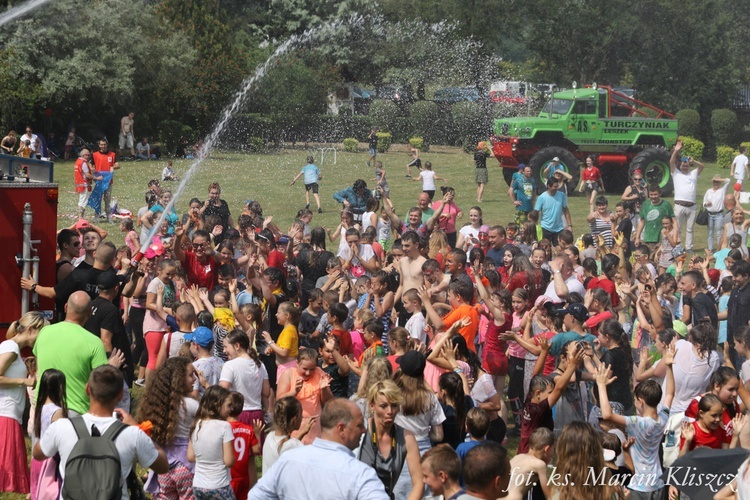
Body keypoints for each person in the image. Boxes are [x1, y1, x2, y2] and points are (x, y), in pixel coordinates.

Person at [33, 365, 170, 499]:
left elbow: (38, 454)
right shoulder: (133, 434)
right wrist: (136, 426)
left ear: (87, 389)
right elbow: (163, 465)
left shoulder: (61, 427)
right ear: (120, 395)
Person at [249, 398, 390, 499]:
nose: (365, 430)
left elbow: (256, 495)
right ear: (341, 429)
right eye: (359, 425)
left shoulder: (288, 460)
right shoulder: (360, 474)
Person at [33, 292, 123, 415]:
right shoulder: (94, 342)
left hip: (43, 408)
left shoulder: (44, 332)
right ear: (90, 313)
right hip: (74, 412)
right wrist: (111, 367)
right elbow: (101, 383)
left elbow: (38, 365)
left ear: (65, 307)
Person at [136, 356, 199, 499]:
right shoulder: (192, 406)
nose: (194, 379)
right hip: (187, 465)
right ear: (179, 379)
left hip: (164, 465)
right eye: (190, 375)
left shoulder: (157, 404)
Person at [0, 312, 47, 495]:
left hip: (10, 412)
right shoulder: (11, 348)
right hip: (5, 413)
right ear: (30, 330)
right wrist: (25, 382)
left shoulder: (13, 349)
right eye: (39, 332)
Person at [358, 380, 424, 500]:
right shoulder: (360, 432)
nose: (390, 411)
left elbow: (419, 483)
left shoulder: (406, 437)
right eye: (383, 406)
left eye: (394, 405)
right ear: (372, 405)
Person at [187, 386, 235, 500]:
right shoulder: (225, 426)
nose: (231, 409)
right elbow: (229, 461)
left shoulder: (196, 424)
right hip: (219, 485)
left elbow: (190, 456)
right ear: (217, 405)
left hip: (199, 485)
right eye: (228, 405)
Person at [670, 139, 705, 251]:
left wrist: (693, 161)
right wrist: (676, 151)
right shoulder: (676, 173)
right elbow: (671, 162)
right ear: (680, 166)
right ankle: (679, 246)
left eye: (687, 166)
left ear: (689, 166)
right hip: (679, 205)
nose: (685, 167)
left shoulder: (693, 174)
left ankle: (689, 247)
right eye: (683, 166)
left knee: (690, 229)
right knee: (678, 228)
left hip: (691, 206)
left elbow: (702, 166)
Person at [634, 184, 675, 253]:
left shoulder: (666, 205)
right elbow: (642, 221)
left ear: (660, 194)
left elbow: (673, 221)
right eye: (651, 195)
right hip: (647, 238)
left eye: (655, 194)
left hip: (662, 238)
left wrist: (675, 235)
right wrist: (637, 237)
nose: (653, 197)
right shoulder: (645, 204)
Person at [533, 177, 571, 245]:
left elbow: (566, 210)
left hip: (559, 228)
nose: (557, 188)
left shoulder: (561, 195)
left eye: (557, 186)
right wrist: (534, 226)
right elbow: (536, 212)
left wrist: (570, 225)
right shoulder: (542, 197)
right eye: (555, 187)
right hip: (545, 228)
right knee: (545, 248)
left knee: (559, 248)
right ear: (549, 186)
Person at [91, 139, 120, 223]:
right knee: (98, 199)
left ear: (107, 145)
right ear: (99, 145)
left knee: (107, 199)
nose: (103, 146)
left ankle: (108, 216)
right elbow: (91, 165)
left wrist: (113, 167)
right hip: (99, 180)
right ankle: (96, 216)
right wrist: (92, 169)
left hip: (108, 181)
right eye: (101, 145)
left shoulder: (112, 154)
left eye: (104, 144)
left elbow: (118, 165)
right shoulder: (95, 155)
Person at [704, 175, 732, 252]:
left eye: (717, 182)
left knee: (719, 232)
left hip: (719, 215)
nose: (716, 183)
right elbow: (704, 202)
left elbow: (729, 180)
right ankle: (710, 249)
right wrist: (706, 203)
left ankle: (719, 249)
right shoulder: (709, 191)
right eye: (714, 182)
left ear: (720, 183)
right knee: (710, 232)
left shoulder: (722, 190)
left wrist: (720, 179)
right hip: (710, 214)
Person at [73, 148, 100, 220]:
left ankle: (80, 217)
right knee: (82, 201)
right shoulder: (83, 163)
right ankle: (80, 218)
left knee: (82, 200)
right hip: (83, 185)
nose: (89, 157)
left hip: (79, 184)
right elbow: (87, 175)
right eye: (88, 155)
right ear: (83, 155)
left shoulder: (78, 161)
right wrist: (97, 178)